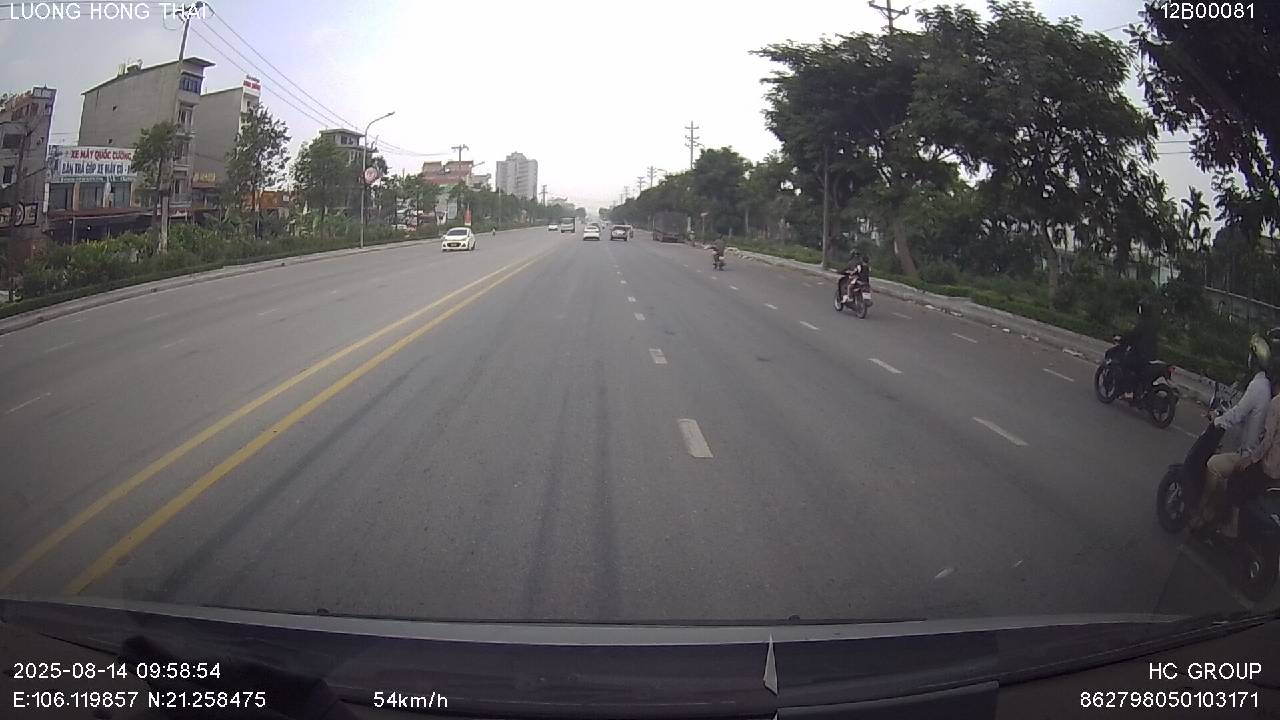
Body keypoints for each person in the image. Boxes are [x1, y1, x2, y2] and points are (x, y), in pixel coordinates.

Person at [1194, 329, 1280, 538]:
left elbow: (1239, 414)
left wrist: (1218, 420)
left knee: (1213, 465)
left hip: (1253, 455)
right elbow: (1244, 412)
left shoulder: (1259, 386)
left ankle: (1207, 513)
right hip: (1261, 457)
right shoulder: (1266, 388)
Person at [1117, 299, 1161, 398]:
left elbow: (1133, 335)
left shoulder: (1142, 323)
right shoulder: (1153, 323)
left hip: (1141, 355)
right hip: (1152, 355)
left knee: (1126, 364)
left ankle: (1129, 391)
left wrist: (1122, 339)